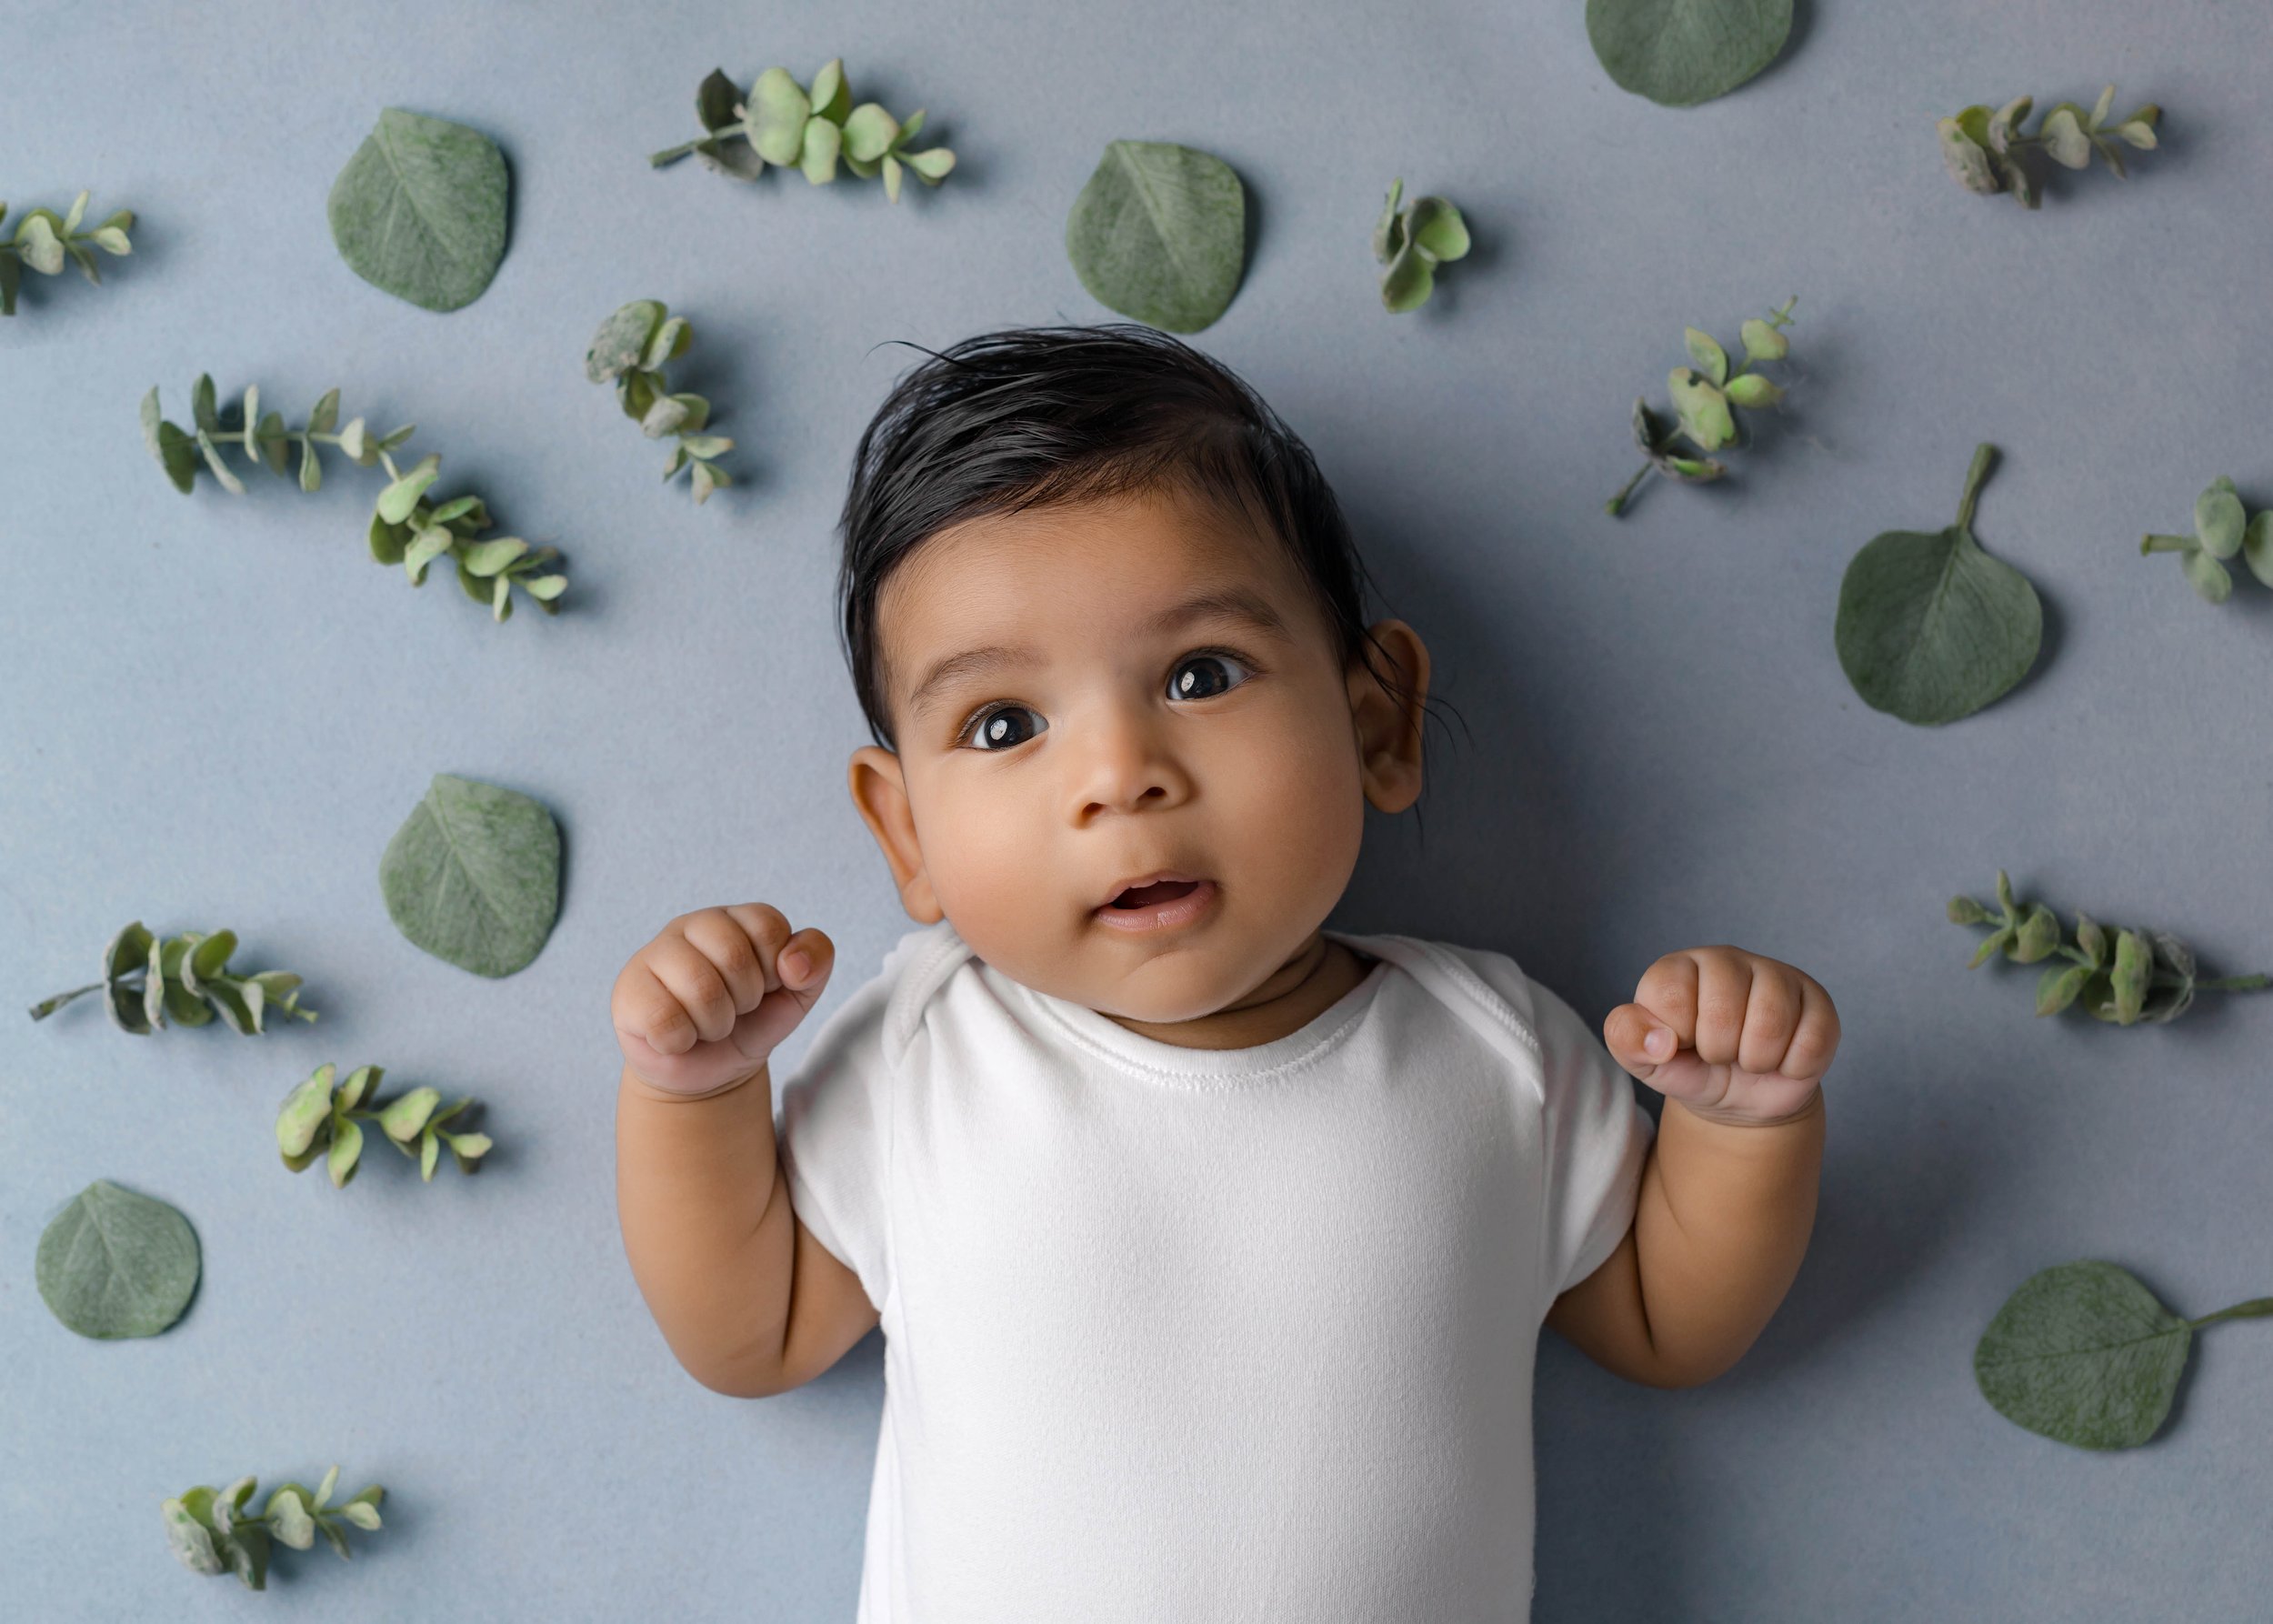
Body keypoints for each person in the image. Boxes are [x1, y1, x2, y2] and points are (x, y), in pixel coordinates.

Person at [612, 324, 1834, 1621]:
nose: (1118, 772)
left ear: (1377, 722)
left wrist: (1741, 1125)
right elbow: (753, 1334)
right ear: (907, 828)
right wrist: (696, 1097)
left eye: (1200, 675)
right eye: (1005, 723)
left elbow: (1663, 1321)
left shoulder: (1491, 1049)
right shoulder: (929, 1046)